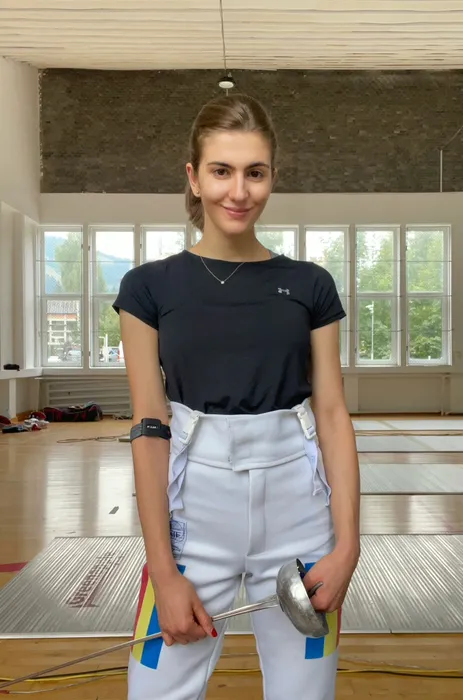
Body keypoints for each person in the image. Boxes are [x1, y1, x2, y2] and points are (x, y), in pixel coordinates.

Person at [113, 92, 360, 700]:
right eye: (222, 171)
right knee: (155, 691)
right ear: (194, 177)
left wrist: (348, 545)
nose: (239, 191)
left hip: (300, 516)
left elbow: (331, 414)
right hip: (194, 517)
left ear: (273, 176)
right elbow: (150, 423)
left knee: (306, 692)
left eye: (256, 172)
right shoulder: (147, 288)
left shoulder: (310, 284)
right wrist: (163, 570)